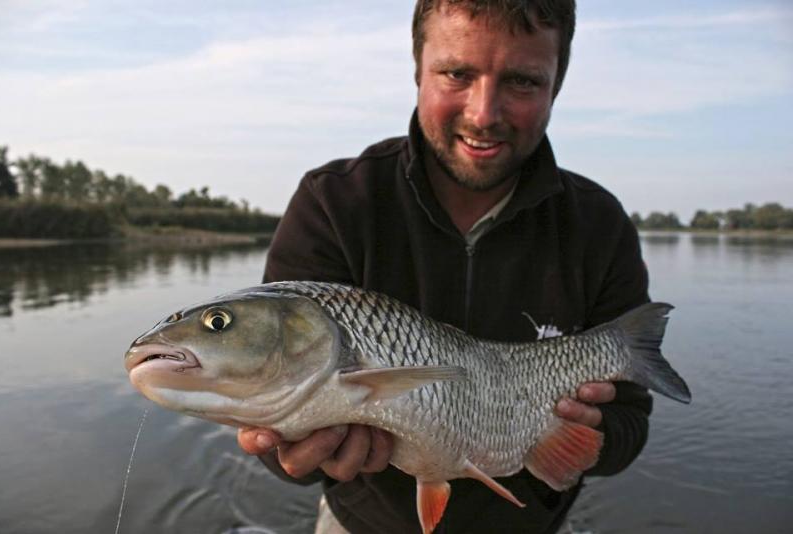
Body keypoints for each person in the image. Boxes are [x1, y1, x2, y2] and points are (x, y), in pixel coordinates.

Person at [239, 0, 653, 532]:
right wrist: (295, 451)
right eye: (457, 73)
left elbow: (629, 427)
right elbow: (281, 444)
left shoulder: (599, 224)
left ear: (556, 87)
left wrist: (591, 436)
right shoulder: (335, 203)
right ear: (418, 70)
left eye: (523, 81)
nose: (484, 114)